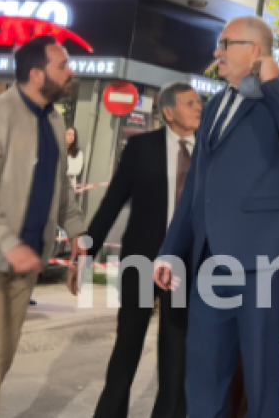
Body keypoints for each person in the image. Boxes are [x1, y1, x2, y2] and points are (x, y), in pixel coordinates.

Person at [155, 16, 279, 418]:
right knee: (204, 376)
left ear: (256, 51)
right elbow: (196, 188)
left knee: (261, 381)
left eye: (226, 44)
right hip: (211, 262)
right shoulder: (213, 108)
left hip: (261, 262)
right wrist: (169, 250)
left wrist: (271, 84)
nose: (217, 53)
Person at [0, 35, 87, 418]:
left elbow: (61, 188)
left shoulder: (54, 121)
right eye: (63, 66)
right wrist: (8, 244)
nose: (71, 72)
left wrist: (78, 233)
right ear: (37, 74)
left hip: (27, 260)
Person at [82, 82, 200, 418]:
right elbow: (111, 202)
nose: (198, 108)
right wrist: (87, 254)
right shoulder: (141, 147)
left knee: (175, 347)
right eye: (190, 103)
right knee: (127, 343)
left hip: (186, 265)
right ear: (168, 112)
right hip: (140, 259)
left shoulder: (207, 150)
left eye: (198, 102)